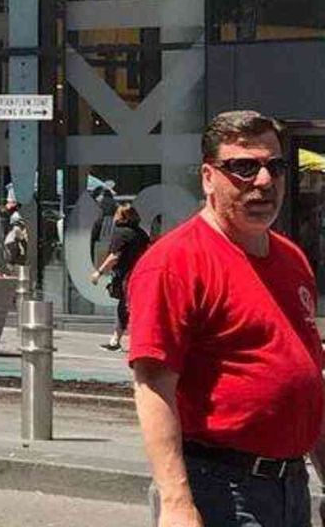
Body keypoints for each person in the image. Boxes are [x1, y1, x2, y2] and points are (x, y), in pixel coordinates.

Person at [129, 110, 324, 527]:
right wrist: (177, 502)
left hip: (290, 486)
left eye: (275, 166)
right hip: (221, 489)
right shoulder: (174, 263)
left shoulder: (291, 259)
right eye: (243, 167)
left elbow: (309, 383)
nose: (264, 181)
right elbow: (153, 387)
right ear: (207, 177)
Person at [90, 203, 149, 352]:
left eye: (117, 213)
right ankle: (121, 339)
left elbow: (114, 256)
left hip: (126, 275)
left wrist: (99, 272)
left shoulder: (120, 232)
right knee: (131, 306)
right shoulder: (142, 234)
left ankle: (116, 340)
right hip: (141, 274)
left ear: (121, 216)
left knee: (124, 306)